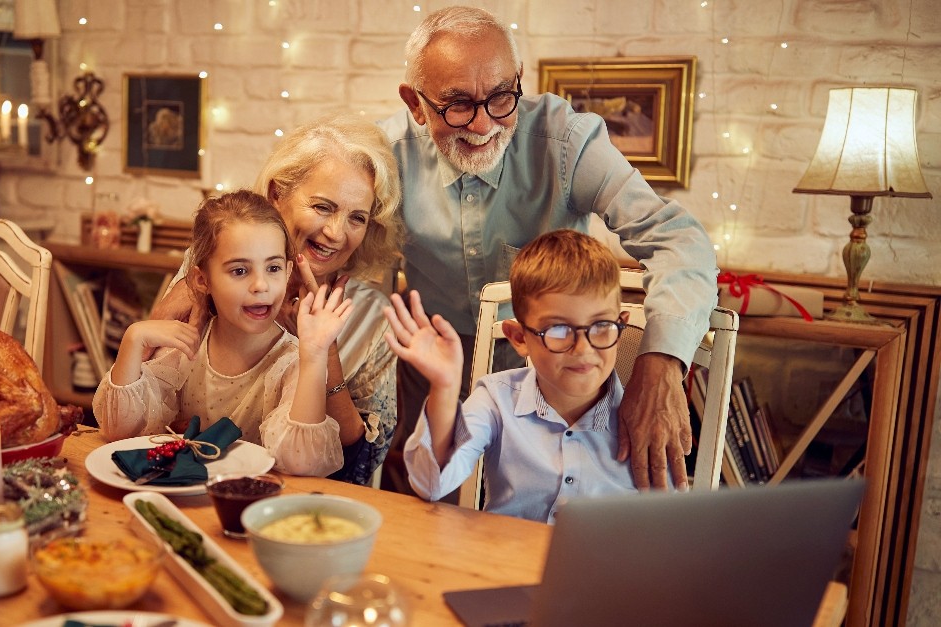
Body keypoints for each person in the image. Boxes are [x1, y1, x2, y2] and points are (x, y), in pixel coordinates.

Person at [377, 6, 717, 490]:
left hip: (553, 382)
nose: (481, 126)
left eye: (500, 98)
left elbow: (678, 238)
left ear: (518, 79)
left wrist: (662, 361)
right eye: (457, 104)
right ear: (415, 103)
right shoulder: (384, 154)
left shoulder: (567, 141)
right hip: (435, 380)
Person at [149, 113, 405, 486]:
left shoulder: (372, 317)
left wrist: (324, 353)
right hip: (188, 486)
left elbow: (362, 465)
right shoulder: (207, 272)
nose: (336, 233)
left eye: (357, 218)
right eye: (323, 207)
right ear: (276, 195)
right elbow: (147, 396)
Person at [387, 230, 665, 521]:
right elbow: (430, 486)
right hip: (504, 561)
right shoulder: (496, 400)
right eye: (558, 329)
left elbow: (665, 529)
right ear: (519, 337)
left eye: (600, 326)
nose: (583, 349)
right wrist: (444, 387)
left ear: (620, 326)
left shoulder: (646, 419)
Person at [92, 190, 352, 477]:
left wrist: (315, 356)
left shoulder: (293, 363)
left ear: (289, 271)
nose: (260, 285)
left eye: (274, 268)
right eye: (240, 271)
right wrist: (133, 339)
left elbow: (304, 462)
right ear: (202, 280)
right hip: (183, 499)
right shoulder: (187, 347)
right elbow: (119, 430)